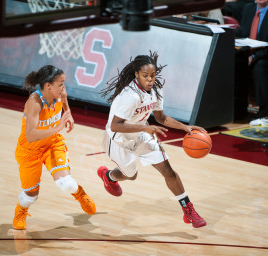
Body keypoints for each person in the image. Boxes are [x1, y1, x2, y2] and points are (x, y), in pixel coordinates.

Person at [98, 52, 207, 228]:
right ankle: (108, 176)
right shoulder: (129, 96)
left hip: (141, 134)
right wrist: (144, 127)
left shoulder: (155, 90)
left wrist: (186, 127)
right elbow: (116, 125)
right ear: (136, 75)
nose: (150, 79)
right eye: (145, 76)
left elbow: (161, 117)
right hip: (118, 140)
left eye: (152, 75)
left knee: (168, 171)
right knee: (131, 175)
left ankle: (189, 211)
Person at [13, 65, 96, 230]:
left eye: (64, 83)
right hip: (30, 151)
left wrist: (69, 114)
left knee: (67, 183)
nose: (63, 87)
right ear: (48, 86)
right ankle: (21, 211)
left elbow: (64, 100)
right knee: (31, 196)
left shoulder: (60, 93)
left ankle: (80, 194)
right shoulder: (34, 103)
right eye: (60, 84)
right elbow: (31, 135)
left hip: (52, 144)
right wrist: (58, 127)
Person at [235, 0, 268, 126]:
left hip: (264, 56)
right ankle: (237, 109)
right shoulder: (249, 8)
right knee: (233, 62)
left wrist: (254, 56)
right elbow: (242, 33)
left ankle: (264, 111)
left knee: (259, 67)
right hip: (247, 53)